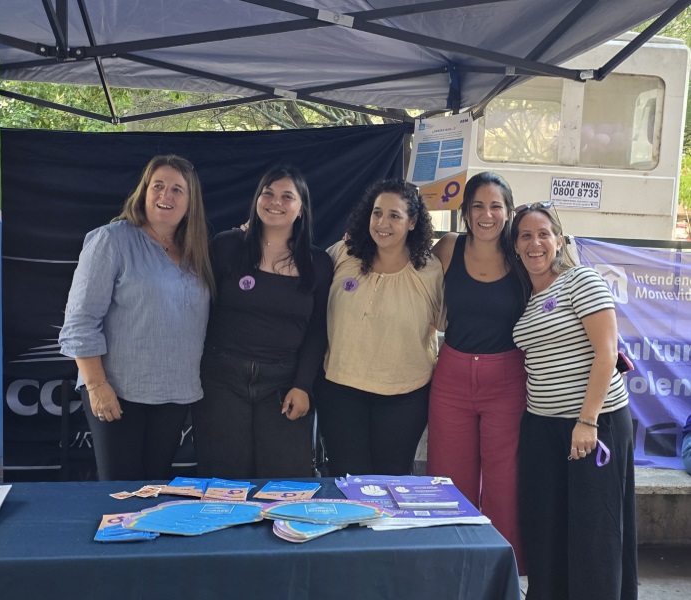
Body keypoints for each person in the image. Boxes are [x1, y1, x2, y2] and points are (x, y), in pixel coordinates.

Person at [58, 155, 214, 481]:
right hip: (118, 392)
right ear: (144, 191)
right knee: (120, 495)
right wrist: (97, 385)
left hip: (173, 395)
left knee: (155, 489)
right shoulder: (112, 240)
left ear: (191, 201)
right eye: (157, 186)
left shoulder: (196, 252)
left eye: (177, 189)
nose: (165, 196)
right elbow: (80, 321)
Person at [512, 202, 637, 600]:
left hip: (591, 425)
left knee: (593, 532)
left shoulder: (581, 279)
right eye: (525, 236)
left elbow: (606, 352)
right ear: (514, 246)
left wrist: (587, 421)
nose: (535, 243)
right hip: (541, 426)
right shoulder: (526, 299)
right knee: (546, 528)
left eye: (543, 234)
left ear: (559, 241)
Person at [192, 166, 332, 479]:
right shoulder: (227, 246)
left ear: (301, 208)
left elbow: (317, 331)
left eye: (287, 196)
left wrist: (303, 385)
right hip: (221, 380)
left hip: (283, 386)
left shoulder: (319, 263)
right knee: (222, 482)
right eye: (267, 193)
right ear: (257, 198)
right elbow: (198, 311)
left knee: (285, 483)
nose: (275, 202)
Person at [426, 172, 529, 571]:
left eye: (496, 206)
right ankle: (450, 567)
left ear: (509, 211)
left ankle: (501, 572)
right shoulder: (449, 247)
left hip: (507, 377)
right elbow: (407, 274)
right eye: (478, 206)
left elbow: (559, 284)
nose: (487, 214)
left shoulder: (522, 252)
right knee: (448, 479)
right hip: (451, 375)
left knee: (505, 483)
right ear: (466, 212)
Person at [314, 179, 443, 476]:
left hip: (404, 397)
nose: (382, 223)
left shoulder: (430, 271)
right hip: (340, 391)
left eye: (394, 216)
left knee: (391, 481)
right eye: (377, 213)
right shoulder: (343, 254)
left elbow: (451, 320)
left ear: (412, 222)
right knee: (346, 479)